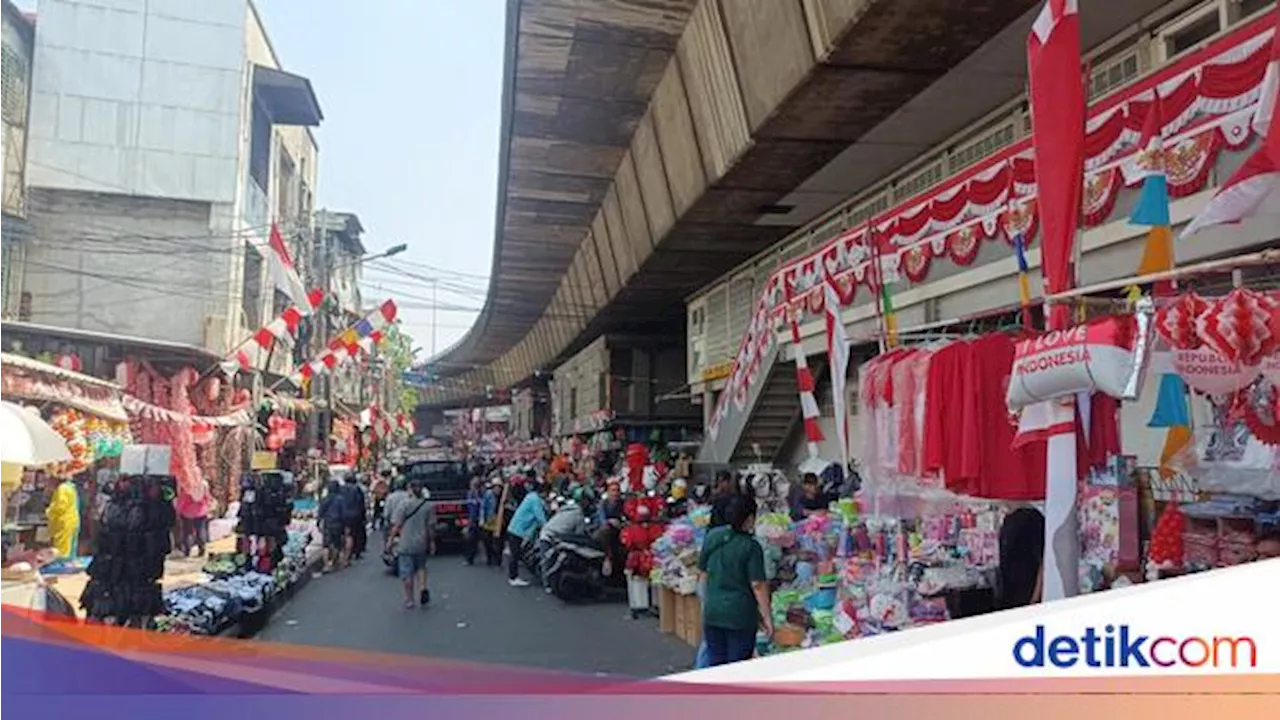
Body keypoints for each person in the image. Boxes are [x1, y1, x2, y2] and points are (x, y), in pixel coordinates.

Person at [699, 494, 770, 666]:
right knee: (737, 666)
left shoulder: (713, 536)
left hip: (713, 612)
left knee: (716, 663)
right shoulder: (751, 547)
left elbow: (702, 574)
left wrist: (706, 603)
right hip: (739, 616)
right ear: (750, 518)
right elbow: (758, 585)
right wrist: (767, 618)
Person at [388, 479, 436, 609]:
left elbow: (396, 525)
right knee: (421, 567)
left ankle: (410, 599)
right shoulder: (428, 506)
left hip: (405, 543)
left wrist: (390, 541)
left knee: (406, 572)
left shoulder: (403, 505)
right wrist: (432, 542)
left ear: (410, 489)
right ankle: (423, 587)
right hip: (421, 542)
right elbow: (431, 527)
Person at [996, 507, 1045, 610]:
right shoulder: (1008, 519)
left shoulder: (1032, 518)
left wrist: (1036, 597)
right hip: (1008, 592)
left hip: (1025, 592)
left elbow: (1043, 561)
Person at [505, 481, 550, 587]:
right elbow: (540, 516)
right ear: (543, 492)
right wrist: (548, 526)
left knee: (517, 553)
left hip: (516, 528)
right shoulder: (535, 500)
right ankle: (513, 577)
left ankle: (515, 576)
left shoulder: (532, 496)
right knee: (515, 554)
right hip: (518, 529)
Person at [318, 479, 348, 572]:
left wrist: (319, 523)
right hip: (337, 523)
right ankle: (334, 562)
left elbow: (320, 513)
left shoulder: (324, 499)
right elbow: (344, 513)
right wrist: (345, 525)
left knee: (326, 545)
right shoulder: (341, 499)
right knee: (336, 544)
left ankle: (326, 565)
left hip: (327, 523)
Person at [175, 489, 210, 557]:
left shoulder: (186, 487)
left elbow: (182, 501)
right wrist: (206, 507)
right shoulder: (203, 485)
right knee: (200, 530)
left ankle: (187, 550)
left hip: (187, 513)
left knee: (187, 532)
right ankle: (202, 548)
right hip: (200, 512)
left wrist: (177, 512)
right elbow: (207, 498)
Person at [463, 477, 488, 566]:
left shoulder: (483, 494)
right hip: (473, 520)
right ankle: (469, 559)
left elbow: (483, 506)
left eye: (474, 485)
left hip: (483, 520)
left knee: (486, 540)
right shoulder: (470, 494)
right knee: (471, 540)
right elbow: (470, 508)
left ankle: (491, 559)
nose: (472, 487)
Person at [343, 473, 368, 561]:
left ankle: (346, 554)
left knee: (346, 534)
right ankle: (356, 551)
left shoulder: (342, 489)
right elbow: (361, 503)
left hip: (344, 515)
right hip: (356, 514)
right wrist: (363, 515)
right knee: (356, 534)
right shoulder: (357, 489)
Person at [480, 477, 503, 566]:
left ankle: (498, 560)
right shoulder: (488, 494)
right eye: (495, 488)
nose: (497, 490)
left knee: (498, 541)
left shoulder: (503, 496)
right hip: (490, 520)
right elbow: (483, 507)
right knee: (487, 540)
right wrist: (482, 519)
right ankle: (489, 558)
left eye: (499, 488)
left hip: (499, 521)